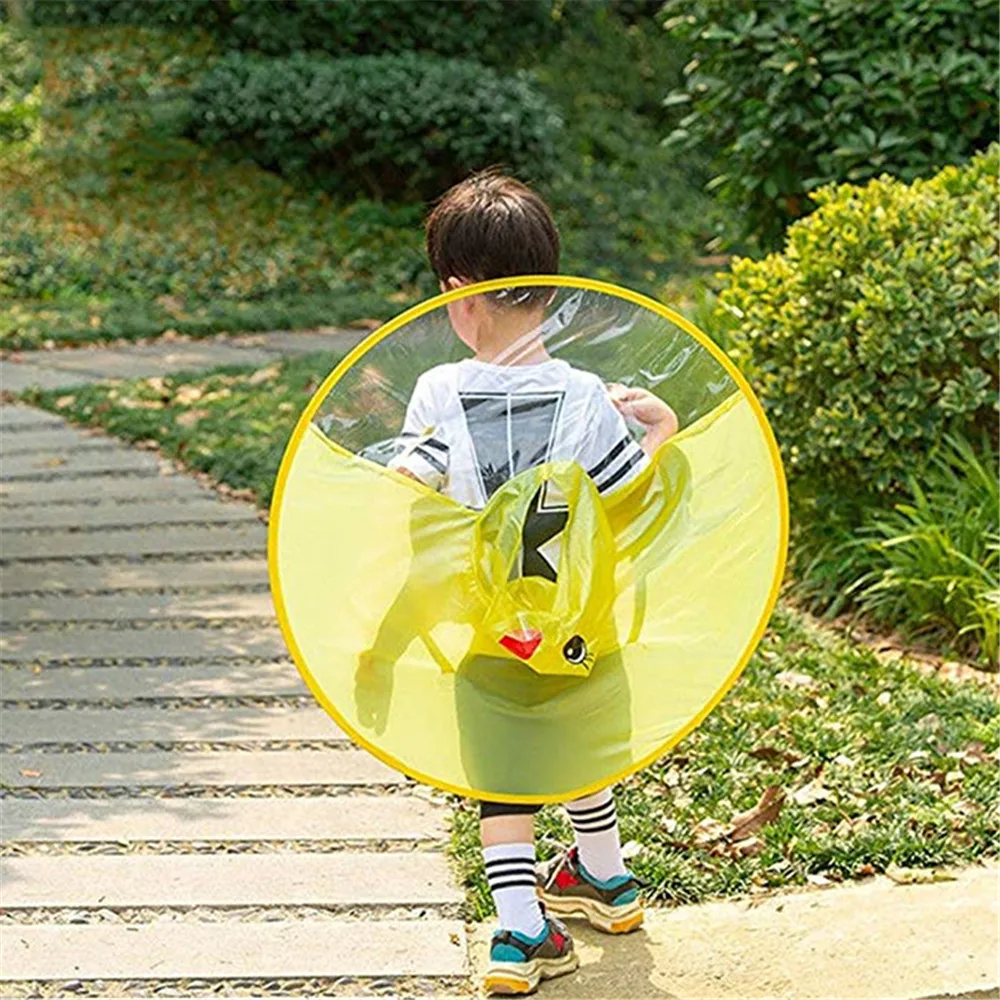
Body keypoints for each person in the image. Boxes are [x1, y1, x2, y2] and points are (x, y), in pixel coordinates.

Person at [385, 169, 677, 995]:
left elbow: (408, 491)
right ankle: (606, 878)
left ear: (457, 296)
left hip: (493, 626)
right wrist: (661, 430)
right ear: (548, 290)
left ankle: (521, 928)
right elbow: (626, 497)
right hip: (581, 618)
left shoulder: (440, 391)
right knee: (580, 736)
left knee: (504, 771)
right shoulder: (585, 395)